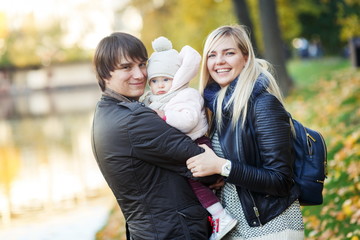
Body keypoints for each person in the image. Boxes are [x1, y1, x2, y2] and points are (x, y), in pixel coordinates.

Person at [91, 32, 217, 240]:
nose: (140, 75)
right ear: (105, 74)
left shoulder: (105, 112)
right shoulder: (134, 119)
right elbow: (208, 169)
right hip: (174, 232)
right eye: (126, 67)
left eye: (142, 64)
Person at [186, 25, 305, 239]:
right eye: (212, 55)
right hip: (238, 229)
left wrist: (221, 166)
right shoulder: (215, 108)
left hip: (271, 227)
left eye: (229, 53)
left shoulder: (262, 104)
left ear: (246, 58)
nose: (219, 61)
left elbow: (280, 180)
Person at [142, 36, 237, 240]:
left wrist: (165, 117)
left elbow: (188, 120)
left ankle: (221, 216)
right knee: (192, 185)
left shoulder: (186, 94)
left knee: (193, 184)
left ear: (177, 78)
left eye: (165, 80)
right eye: (155, 81)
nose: (160, 85)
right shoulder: (157, 98)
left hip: (197, 143)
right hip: (183, 146)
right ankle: (215, 216)